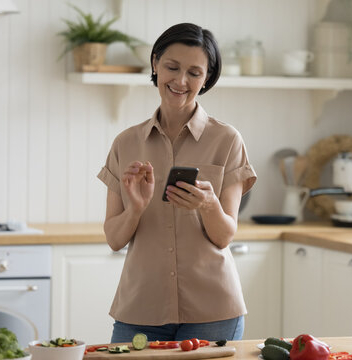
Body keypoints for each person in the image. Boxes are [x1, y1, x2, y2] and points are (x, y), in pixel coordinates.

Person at [97, 23, 257, 343]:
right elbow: (114, 239)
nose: (181, 81)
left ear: (207, 77)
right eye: (172, 67)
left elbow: (225, 235)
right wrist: (136, 209)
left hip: (213, 311)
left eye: (194, 73)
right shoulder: (126, 143)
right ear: (155, 63)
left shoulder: (227, 140)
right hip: (140, 310)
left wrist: (208, 205)